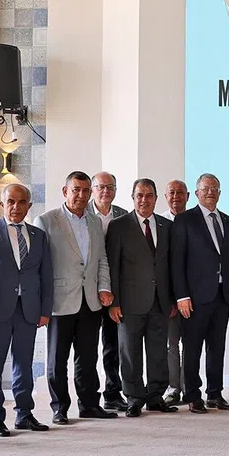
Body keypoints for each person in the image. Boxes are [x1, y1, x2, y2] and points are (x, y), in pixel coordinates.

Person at [0, 182, 53, 438]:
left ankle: (24, 414)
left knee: (24, 365)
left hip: (28, 310)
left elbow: (46, 275)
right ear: (2, 204)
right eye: (10, 202)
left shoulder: (39, 236)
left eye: (21, 202)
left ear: (29, 205)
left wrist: (45, 309)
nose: (16, 207)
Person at [33, 171, 115, 424]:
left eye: (85, 191)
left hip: (90, 299)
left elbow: (101, 258)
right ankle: (60, 407)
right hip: (59, 301)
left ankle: (89, 404)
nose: (81, 195)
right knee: (57, 359)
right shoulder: (46, 220)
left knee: (88, 356)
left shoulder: (93, 221)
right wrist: (42, 302)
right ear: (65, 191)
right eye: (76, 190)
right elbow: (40, 266)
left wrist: (104, 287)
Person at [106, 178, 178, 417]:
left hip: (160, 301)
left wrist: (173, 299)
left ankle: (156, 396)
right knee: (130, 352)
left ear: (156, 199)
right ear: (133, 198)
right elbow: (113, 266)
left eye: (149, 195)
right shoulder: (119, 226)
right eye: (139, 195)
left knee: (158, 351)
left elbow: (170, 266)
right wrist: (114, 302)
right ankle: (134, 399)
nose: (144, 200)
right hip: (129, 303)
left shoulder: (167, 226)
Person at [170, 172, 229, 413]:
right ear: (197, 193)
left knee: (217, 347)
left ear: (220, 193)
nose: (210, 192)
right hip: (194, 297)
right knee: (192, 348)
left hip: (222, 295)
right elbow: (177, 262)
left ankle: (215, 393)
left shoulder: (228, 221)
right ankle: (192, 395)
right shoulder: (185, 220)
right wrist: (181, 296)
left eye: (215, 189)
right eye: (206, 188)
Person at [89, 171, 130, 412]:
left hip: (114, 293)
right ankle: (88, 397)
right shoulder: (83, 216)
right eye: (101, 187)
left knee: (113, 346)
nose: (106, 191)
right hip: (87, 292)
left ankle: (113, 393)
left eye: (110, 187)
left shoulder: (124, 216)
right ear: (93, 189)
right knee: (87, 348)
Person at [159, 179, 189, 406]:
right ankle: (173, 388)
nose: (176, 196)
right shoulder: (159, 223)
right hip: (168, 298)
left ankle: (189, 387)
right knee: (171, 344)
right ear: (165, 196)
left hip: (193, 297)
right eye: (172, 192)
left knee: (191, 343)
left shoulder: (195, 222)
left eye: (181, 192)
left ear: (188, 196)